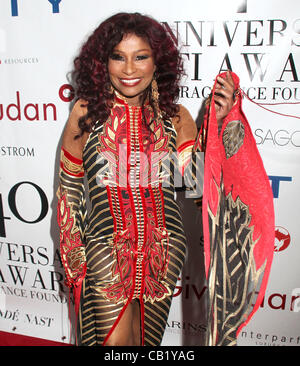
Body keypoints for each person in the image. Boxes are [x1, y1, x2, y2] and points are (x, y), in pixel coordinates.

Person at [56, 12, 245, 346]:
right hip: (105, 248)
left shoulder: (175, 116)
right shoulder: (86, 112)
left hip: (164, 250)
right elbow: (70, 182)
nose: (129, 69)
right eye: (119, 57)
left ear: (158, 61)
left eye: (141, 57)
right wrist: (74, 251)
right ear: (103, 62)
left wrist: (217, 126)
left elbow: (192, 184)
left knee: (148, 344)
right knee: (111, 345)